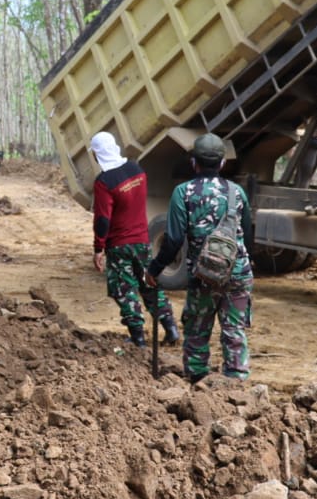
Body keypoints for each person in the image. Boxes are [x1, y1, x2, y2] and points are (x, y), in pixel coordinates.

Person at [145, 133, 253, 383]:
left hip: (203, 275)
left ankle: (197, 383)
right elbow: (247, 236)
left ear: (194, 162)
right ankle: (235, 385)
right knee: (234, 331)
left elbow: (172, 240)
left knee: (197, 331)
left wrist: (154, 269)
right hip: (237, 273)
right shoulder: (237, 192)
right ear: (223, 163)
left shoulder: (183, 192)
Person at [90, 132, 179, 348]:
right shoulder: (136, 170)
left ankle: (138, 338)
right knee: (148, 283)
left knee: (124, 289)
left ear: (98, 154)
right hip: (141, 239)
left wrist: (98, 248)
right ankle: (170, 328)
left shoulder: (104, 182)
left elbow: (103, 219)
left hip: (119, 244)